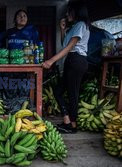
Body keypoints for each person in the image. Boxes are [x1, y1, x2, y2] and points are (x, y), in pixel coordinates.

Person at [42, 2, 90, 133]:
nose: (67, 14)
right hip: (71, 61)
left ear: (77, 12)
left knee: (72, 94)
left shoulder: (81, 25)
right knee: (58, 91)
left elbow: (70, 47)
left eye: (69, 11)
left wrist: (51, 60)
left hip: (77, 60)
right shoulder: (74, 27)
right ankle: (67, 120)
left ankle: (72, 126)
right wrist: (62, 29)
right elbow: (65, 44)